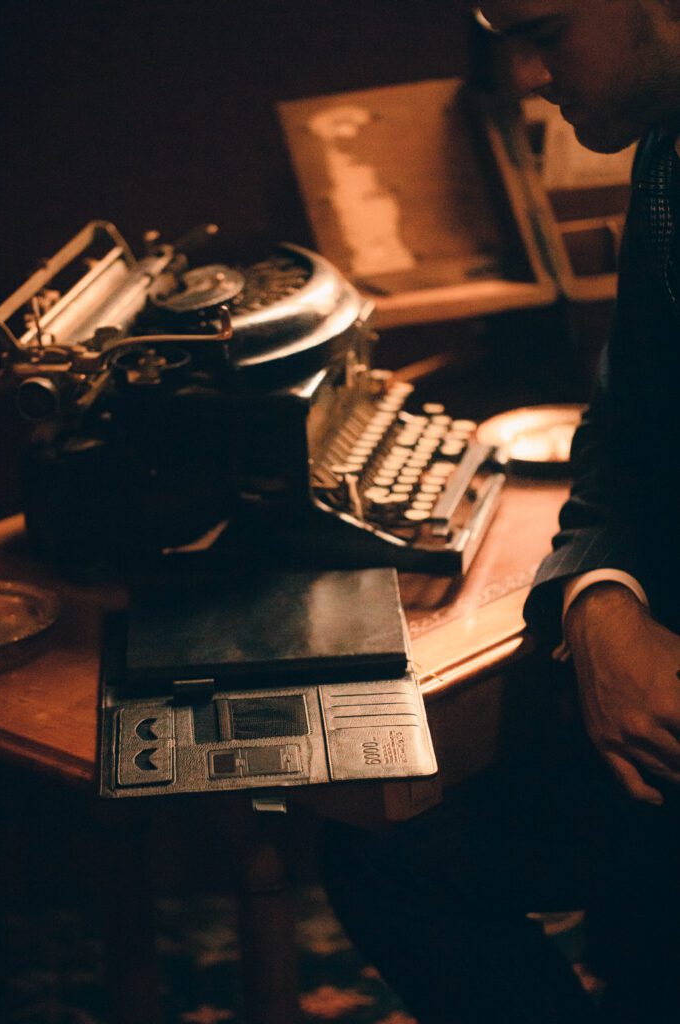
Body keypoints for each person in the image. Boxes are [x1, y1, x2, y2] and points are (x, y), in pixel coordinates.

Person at [319, 3, 680, 1021]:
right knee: (380, 842)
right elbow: (619, 434)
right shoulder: (662, 147)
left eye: (544, 31)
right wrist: (598, 599)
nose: (521, 75)